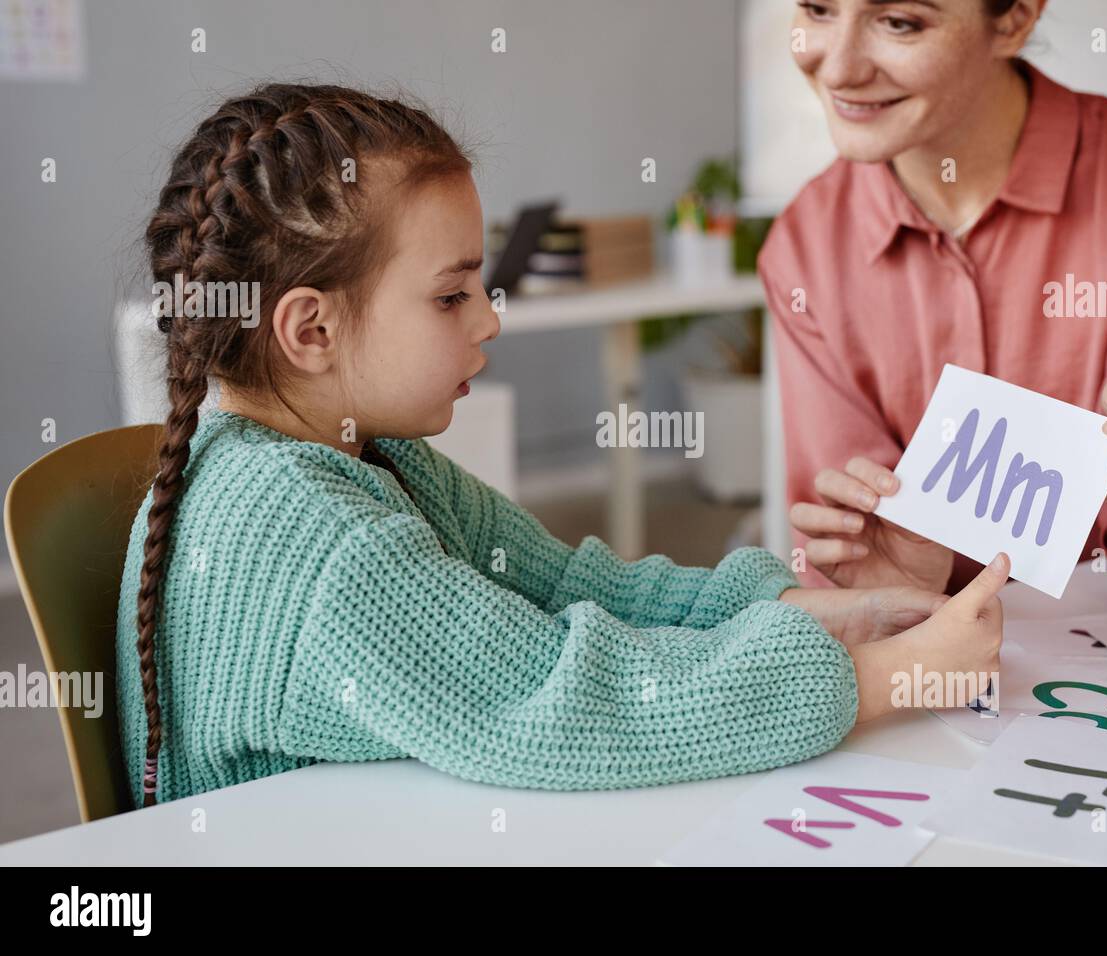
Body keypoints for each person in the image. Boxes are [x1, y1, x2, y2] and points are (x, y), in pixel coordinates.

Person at [117, 82, 1009, 808]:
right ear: (310, 330)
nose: (490, 320)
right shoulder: (313, 544)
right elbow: (571, 698)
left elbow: (576, 588)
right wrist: (884, 682)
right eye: (451, 296)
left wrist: (795, 611)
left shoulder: (368, 456)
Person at [760, 0, 1107, 604]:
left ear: (1014, 19)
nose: (837, 68)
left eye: (899, 22)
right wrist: (888, 585)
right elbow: (864, 562)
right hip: (923, 661)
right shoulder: (803, 247)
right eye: (817, 9)